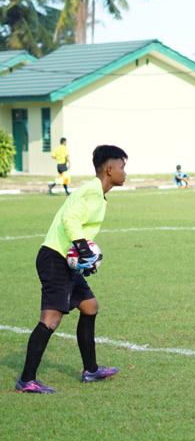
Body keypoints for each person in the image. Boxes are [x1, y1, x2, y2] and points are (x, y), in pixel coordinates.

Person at [16, 145, 128, 393]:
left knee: (90, 306)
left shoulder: (98, 193)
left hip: (65, 260)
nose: (124, 172)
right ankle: (26, 380)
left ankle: (90, 370)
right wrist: (82, 247)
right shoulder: (91, 191)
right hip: (54, 258)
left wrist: (83, 259)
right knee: (51, 319)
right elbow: (71, 219)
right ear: (109, 169)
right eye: (122, 167)